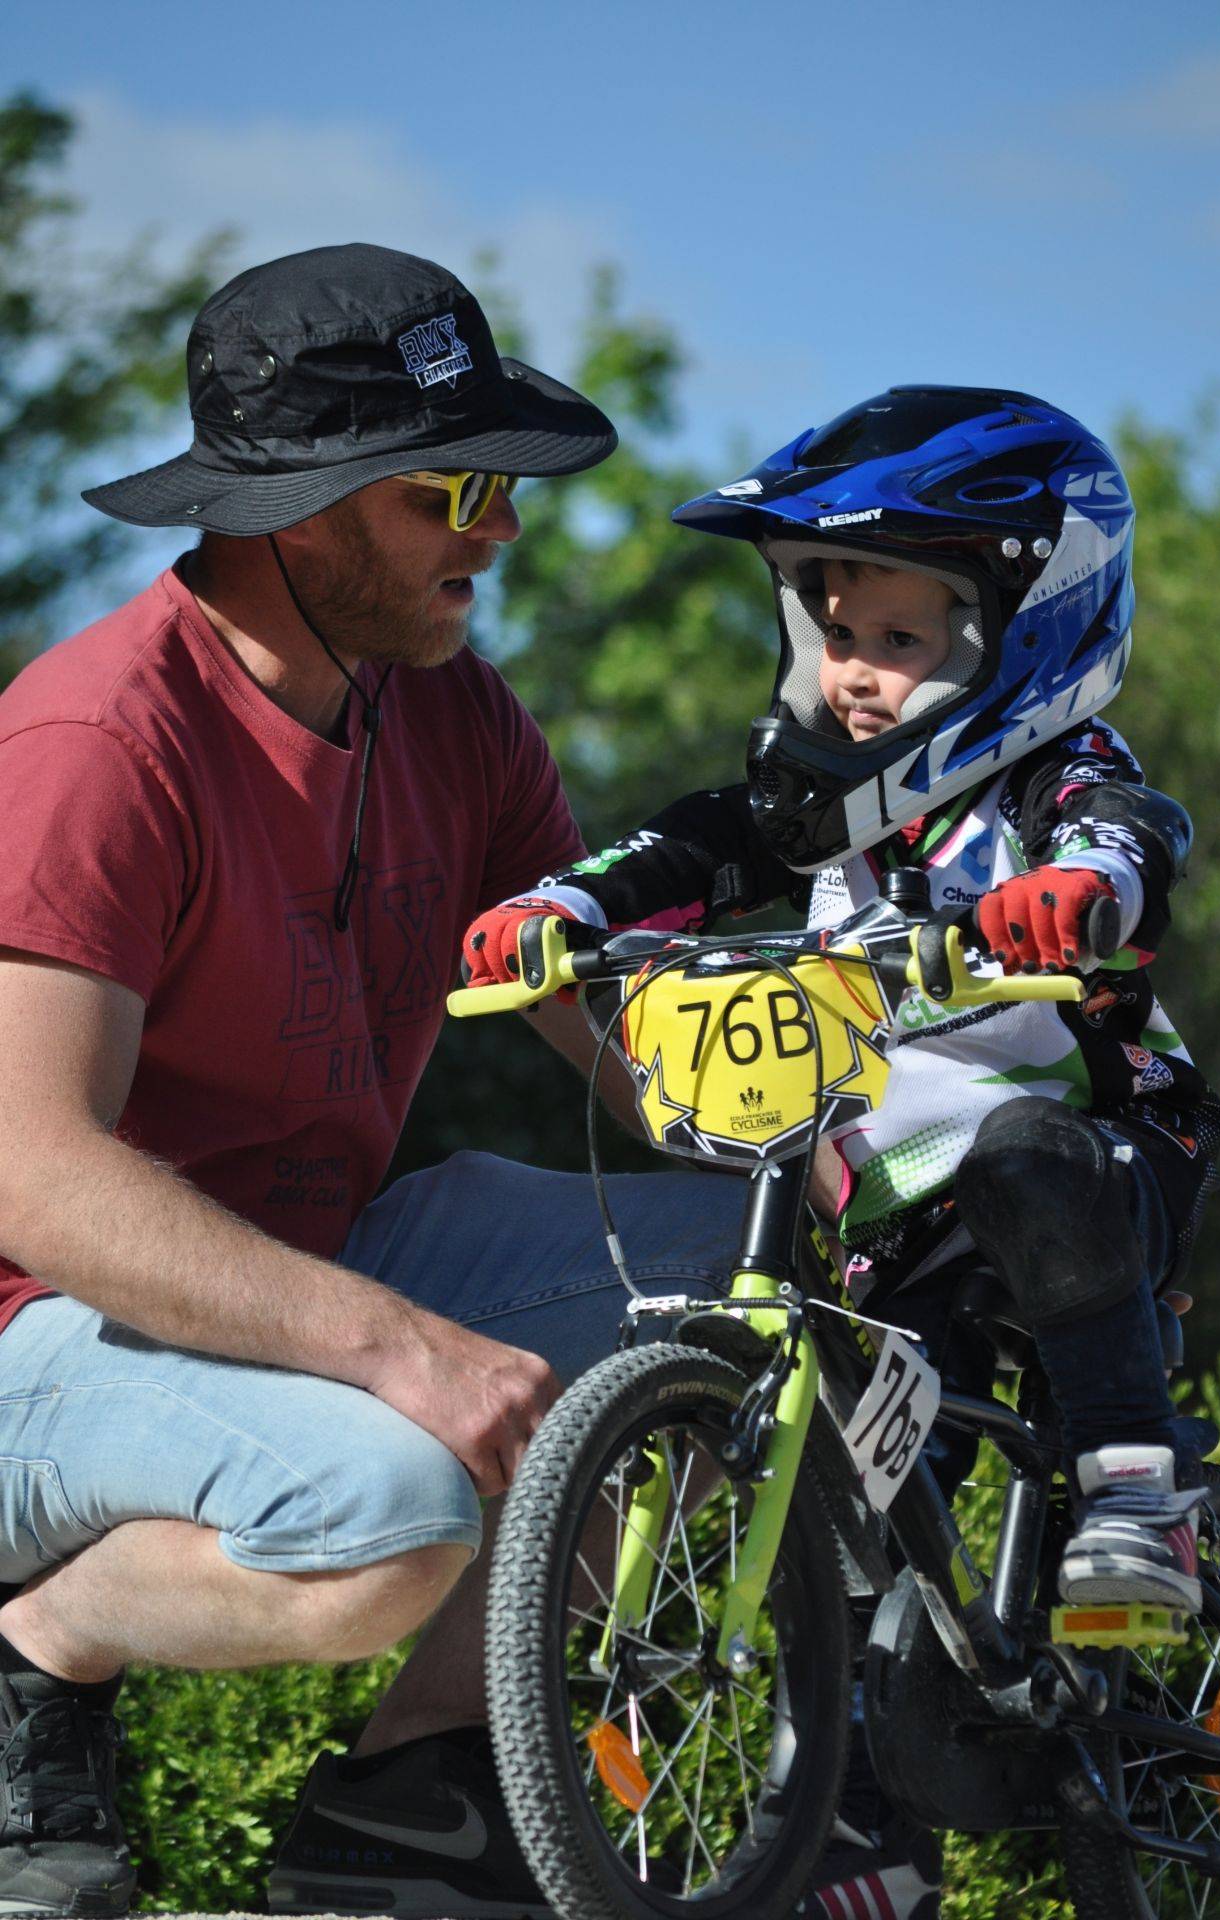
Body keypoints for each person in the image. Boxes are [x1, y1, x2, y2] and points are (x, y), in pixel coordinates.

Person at [0, 242, 747, 1920]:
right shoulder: (99, 749)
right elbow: (33, 1181)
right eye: (453, 491)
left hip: (294, 1277)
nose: (501, 528)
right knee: (396, 1510)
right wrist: (403, 1350)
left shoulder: (454, 718)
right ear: (299, 513)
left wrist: (862, 1136)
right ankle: (35, 1655)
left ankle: (418, 1802)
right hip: (32, 1331)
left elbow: (620, 1031)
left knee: (760, 1306)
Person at [461, 383, 1220, 1920]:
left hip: (1092, 1148)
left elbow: (1134, 831)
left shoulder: (1043, 779)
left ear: (1023, 631)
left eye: (900, 638)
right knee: (866, 1506)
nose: (858, 677)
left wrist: (1078, 896)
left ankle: (1139, 1496)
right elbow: (683, 846)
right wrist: (570, 910)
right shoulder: (808, 804)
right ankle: (863, 1847)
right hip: (892, 1185)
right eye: (836, 630)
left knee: (1022, 1153)